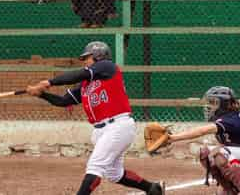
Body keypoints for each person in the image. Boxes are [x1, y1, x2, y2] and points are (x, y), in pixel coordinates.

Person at [27, 41, 164, 195]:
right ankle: (152, 188)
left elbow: (80, 73)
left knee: (95, 167)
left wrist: (48, 82)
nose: (85, 61)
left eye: (87, 57)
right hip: (102, 130)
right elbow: (64, 101)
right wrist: (42, 95)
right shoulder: (86, 84)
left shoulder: (107, 67)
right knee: (114, 174)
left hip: (117, 126)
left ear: (99, 55)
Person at [169, 86, 240, 195]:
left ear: (224, 104)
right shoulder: (228, 118)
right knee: (205, 152)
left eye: (214, 103)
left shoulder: (231, 119)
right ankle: (228, 189)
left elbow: (201, 131)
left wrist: (172, 138)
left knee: (220, 152)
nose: (208, 106)